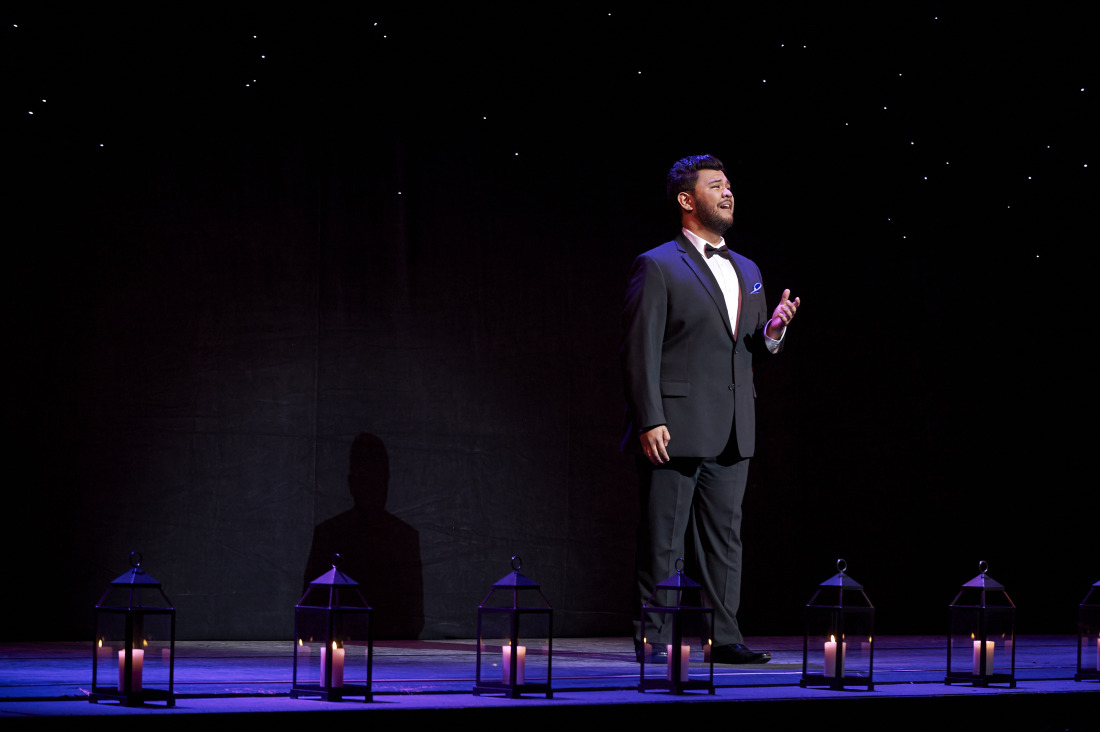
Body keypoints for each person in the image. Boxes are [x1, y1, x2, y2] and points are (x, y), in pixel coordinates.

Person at [621, 154, 799, 664]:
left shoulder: (748, 268)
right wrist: (649, 417)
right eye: (715, 185)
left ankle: (724, 638)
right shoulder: (657, 263)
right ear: (686, 199)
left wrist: (774, 333)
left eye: (730, 186)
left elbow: (752, 344)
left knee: (725, 541)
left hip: (734, 427)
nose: (728, 193)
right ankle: (654, 638)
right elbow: (639, 349)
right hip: (673, 426)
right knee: (664, 541)